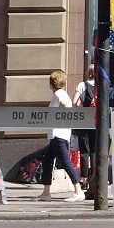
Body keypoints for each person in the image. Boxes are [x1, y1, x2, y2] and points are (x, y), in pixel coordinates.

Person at [37, 70, 83, 203]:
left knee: (66, 162)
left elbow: (64, 106)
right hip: (57, 135)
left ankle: (78, 191)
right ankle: (46, 192)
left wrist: (59, 115)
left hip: (59, 135)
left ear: (52, 83)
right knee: (47, 161)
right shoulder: (62, 94)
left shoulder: (58, 94)